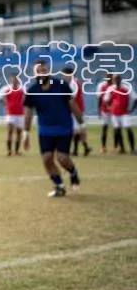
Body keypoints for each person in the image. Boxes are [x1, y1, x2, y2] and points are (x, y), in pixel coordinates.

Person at [22, 61, 84, 197]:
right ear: (35, 73)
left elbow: (73, 105)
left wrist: (82, 125)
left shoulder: (62, 85)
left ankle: (73, 173)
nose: (42, 73)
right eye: (39, 71)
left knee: (62, 158)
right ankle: (59, 186)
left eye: (44, 70)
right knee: (47, 159)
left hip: (64, 127)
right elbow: (28, 113)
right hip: (45, 130)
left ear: (48, 71)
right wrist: (25, 133)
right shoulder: (32, 90)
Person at [61, 68, 92, 157]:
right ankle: (83, 148)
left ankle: (76, 150)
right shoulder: (75, 82)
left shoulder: (73, 84)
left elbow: (71, 98)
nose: (63, 77)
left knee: (75, 130)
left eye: (64, 75)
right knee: (78, 130)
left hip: (76, 110)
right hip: (77, 109)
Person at [103, 74, 137, 155]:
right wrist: (109, 107)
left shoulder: (127, 87)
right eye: (115, 79)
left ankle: (133, 148)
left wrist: (131, 109)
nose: (117, 80)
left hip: (124, 113)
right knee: (117, 130)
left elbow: (135, 98)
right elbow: (105, 99)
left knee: (128, 129)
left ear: (121, 79)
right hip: (115, 113)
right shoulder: (111, 88)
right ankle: (121, 148)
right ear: (113, 80)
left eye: (118, 79)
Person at [0, 75, 25, 156]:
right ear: (10, 80)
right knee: (10, 132)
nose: (14, 80)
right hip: (10, 113)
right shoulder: (6, 88)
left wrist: (24, 104)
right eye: (13, 79)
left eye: (16, 79)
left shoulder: (22, 88)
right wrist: (4, 103)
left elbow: (27, 97)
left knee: (19, 133)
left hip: (20, 113)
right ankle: (9, 150)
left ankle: (16, 151)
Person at [96, 73, 113, 153]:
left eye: (110, 76)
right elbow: (99, 99)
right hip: (105, 110)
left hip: (114, 111)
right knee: (104, 128)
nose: (109, 78)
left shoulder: (115, 85)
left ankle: (117, 147)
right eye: (107, 76)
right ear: (105, 77)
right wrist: (99, 110)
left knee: (117, 129)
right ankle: (103, 147)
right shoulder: (101, 85)